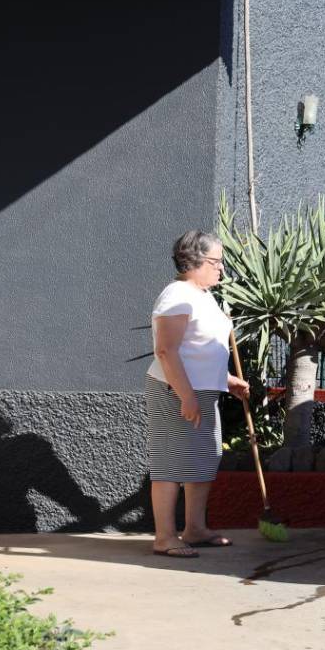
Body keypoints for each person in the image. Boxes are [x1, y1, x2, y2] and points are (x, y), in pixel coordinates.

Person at [146, 231, 249, 558]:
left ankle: (195, 529)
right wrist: (187, 395)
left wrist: (227, 378)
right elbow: (166, 350)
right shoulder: (177, 295)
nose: (221, 269)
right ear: (193, 262)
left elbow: (200, 348)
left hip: (203, 389)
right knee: (171, 461)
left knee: (203, 459)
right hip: (174, 390)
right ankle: (164, 536)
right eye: (215, 262)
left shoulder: (203, 295)